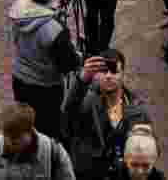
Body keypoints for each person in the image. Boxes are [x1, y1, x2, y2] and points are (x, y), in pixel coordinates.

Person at [8, 0, 81, 140]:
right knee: (48, 130)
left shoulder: (19, 13)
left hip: (19, 80)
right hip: (45, 88)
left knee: (26, 124)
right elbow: (68, 64)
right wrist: (77, 57)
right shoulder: (54, 29)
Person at [63, 50, 150, 180]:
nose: (108, 76)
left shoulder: (137, 111)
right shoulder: (87, 101)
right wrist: (82, 79)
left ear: (123, 75)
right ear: (97, 75)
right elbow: (68, 112)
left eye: (114, 71)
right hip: (88, 172)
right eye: (104, 71)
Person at [0, 103, 75, 180]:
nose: (8, 142)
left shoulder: (55, 152)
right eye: (6, 135)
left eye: (16, 139)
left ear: (29, 131)